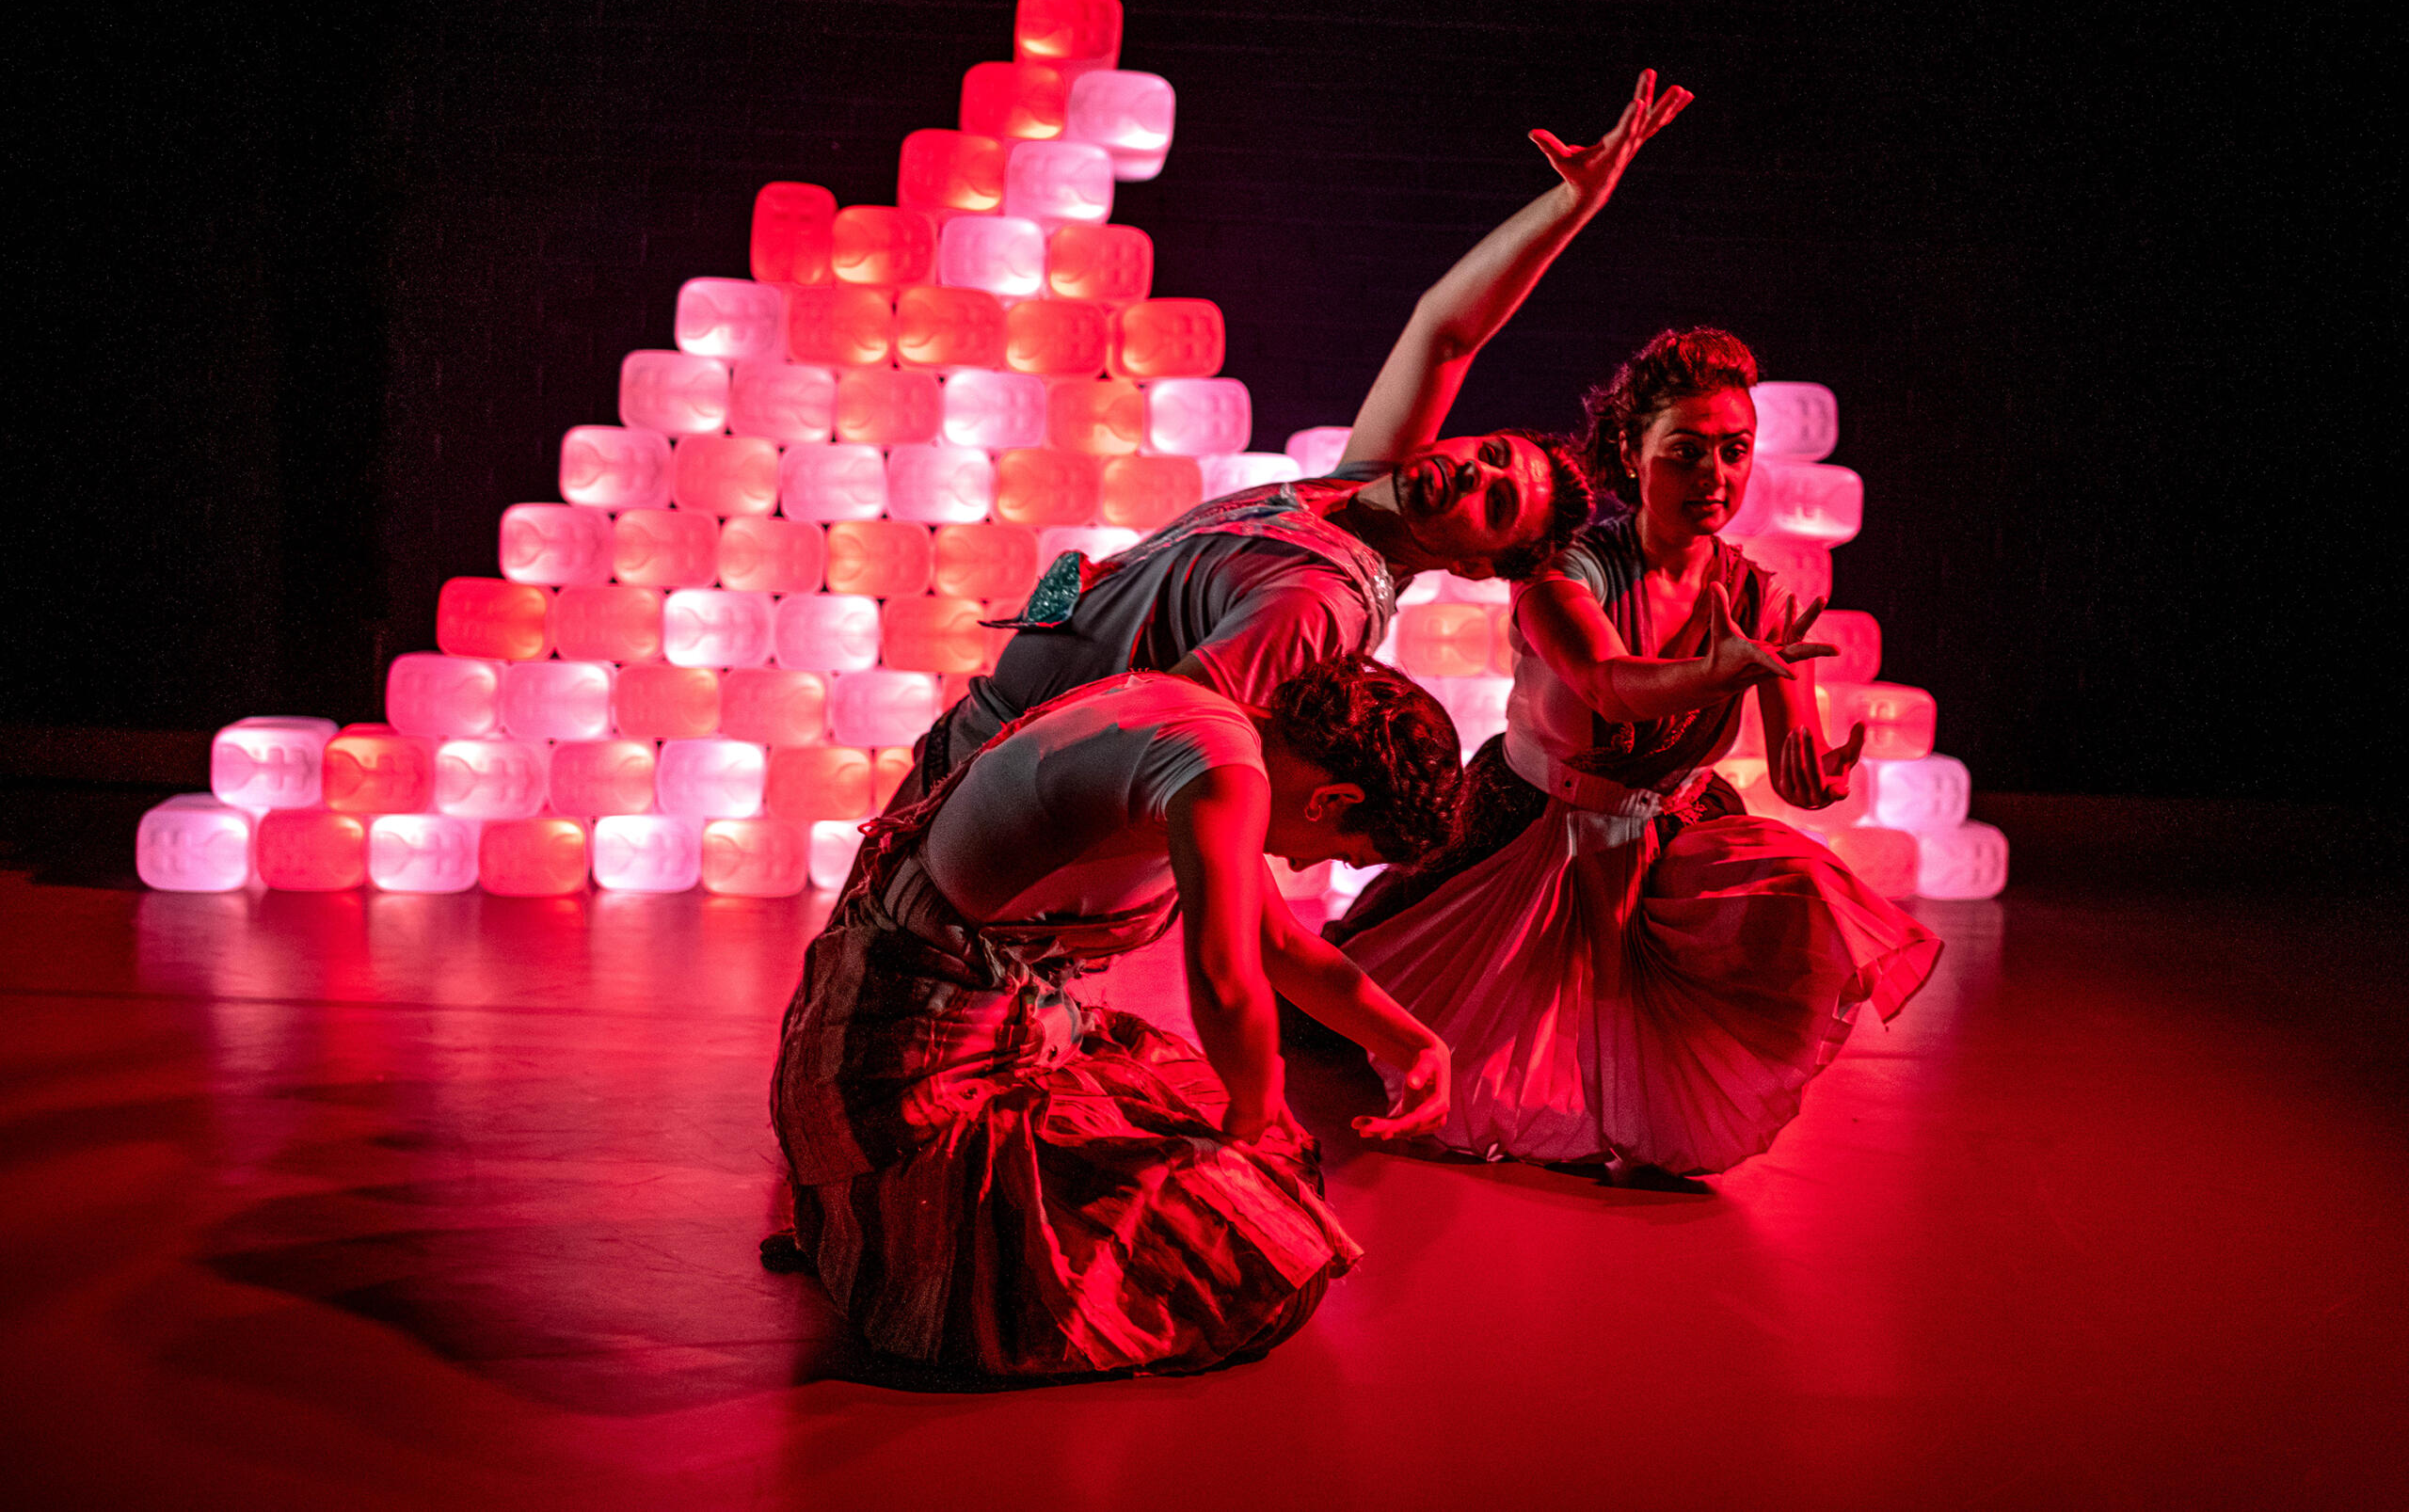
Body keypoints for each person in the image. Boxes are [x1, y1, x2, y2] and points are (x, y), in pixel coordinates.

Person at [898, 71, 1695, 807]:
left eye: (1496, 503)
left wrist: (994, 823)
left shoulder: (1321, 600)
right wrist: (1573, 205)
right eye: (1488, 454)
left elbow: (1158, 743)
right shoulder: (1347, 493)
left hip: (992, 807)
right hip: (963, 752)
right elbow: (1446, 330)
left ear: (1473, 565)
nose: (1470, 474)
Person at [1329, 327, 1943, 1184]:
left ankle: (1649, 1100)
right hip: (1523, 824)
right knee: (1349, 1016)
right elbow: (1609, 684)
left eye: (1735, 452)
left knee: (1801, 884)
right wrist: (1709, 671)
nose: (1715, 477)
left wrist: (1814, 774)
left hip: (1661, 832)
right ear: (1632, 451)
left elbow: (1795, 751)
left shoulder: (1757, 592)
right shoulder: (1560, 571)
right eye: (1687, 453)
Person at [768, 657, 1460, 1380]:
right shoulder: (1222, 772)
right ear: (1333, 797)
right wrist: (1257, 1116)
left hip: (952, 1028)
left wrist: (1416, 1043)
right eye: (1354, 853)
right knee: (1259, 1249)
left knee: (1262, 1197)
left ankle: (870, 1226)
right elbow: (1225, 979)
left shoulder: (1216, 729)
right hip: (905, 1073)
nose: (1329, 863)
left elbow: (1279, 945)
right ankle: (900, 1240)